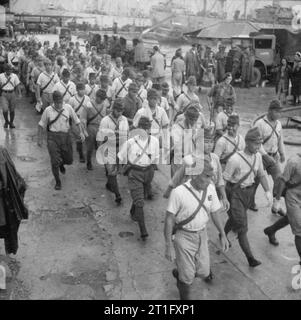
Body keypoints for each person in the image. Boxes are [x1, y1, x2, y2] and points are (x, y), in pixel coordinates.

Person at [164, 158, 229, 300]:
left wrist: (223, 234)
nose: (210, 180)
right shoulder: (178, 193)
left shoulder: (210, 188)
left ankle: (180, 273)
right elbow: (169, 219)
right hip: (183, 236)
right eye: (206, 176)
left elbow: (215, 212)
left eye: (211, 176)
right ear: (194, 175)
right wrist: (168, 245)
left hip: (202, 234)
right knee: (187, 277)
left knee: (204, 272)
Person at [223, 127, 273, 267]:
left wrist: (268, 191)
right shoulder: (234, 160)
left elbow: (261, 174)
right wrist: (223, 198)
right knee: (242, 226)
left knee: (234, 219)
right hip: (235, 194)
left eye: (260, 144)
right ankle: (250, 258)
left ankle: (222, 234)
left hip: (248, 194)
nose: (259, 147)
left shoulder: (257, 156)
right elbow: (224, 180)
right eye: (256, 144)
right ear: (247, 142)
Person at [118, 117, 159, 240]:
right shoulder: (130, 142)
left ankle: (133, 211)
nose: (145, 131)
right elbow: (121, 157)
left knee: (139, 196)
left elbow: (156, 158)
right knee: (140, 201)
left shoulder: (155, 141)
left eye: (147, 128)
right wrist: (125, 168)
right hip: (135, 173)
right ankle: (143, 229)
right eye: (142, 128)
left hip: (148, 173)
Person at [37, 91, 85, 190]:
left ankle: (61, 163)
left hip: (66, 136)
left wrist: (81, 132)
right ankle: (58, 181)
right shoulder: (48, 110)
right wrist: (39, 139)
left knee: (69, 160)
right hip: (52, 138)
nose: (59, 104)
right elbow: (41, 125)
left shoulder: (68, 108)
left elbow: (77, 121)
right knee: (54, 162)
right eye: (57, 102)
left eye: (60, 102)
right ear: (53, 101)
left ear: (63, 101)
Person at [263, 154, 301, 264]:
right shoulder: (293, 162)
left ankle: (270, 230)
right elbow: (283, 181)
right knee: (299, 230)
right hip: (293, 198)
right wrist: (277, 200)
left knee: (290, 218)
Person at [251, 100, 285, 214]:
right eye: (276, 111)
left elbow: (280, 139)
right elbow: (255, 142)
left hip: (273, 156)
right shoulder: (260, 124)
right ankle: (250, 201)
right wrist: (265, 155)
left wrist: (282, 152)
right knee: (255, 181)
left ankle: (276, 204)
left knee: (279, 180)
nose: (279, 114)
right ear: (270, 110)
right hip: (260, 156)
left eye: (280, 112)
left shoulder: (279, 124)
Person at [96, 99, 129, 205]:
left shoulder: (124, 120)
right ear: (113, 109)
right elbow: (100, 136)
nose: (119, 112)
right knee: (112, 172)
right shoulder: (105, 120)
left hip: (120, 148)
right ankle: (117, 195)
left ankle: (109, 184)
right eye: (117, 110)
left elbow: (127, 135)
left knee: (116, 171)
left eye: (121, 110)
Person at [0, 146, 28, 255]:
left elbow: (13, 180)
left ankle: (7, 258)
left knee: (7, 227)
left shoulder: (2, 153)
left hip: (4, 203)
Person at [81, 89, 108, 171]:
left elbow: (107, 117)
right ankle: (89, 162)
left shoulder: (105, 105)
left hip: (101, 128)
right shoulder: (88, 104)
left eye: (103, 99)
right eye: (100, 98)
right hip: (91, 127)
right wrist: (84, 129)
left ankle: (106, 165)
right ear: (97, 97)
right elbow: (83, 118)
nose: (102, 100)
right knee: (90, 146)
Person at [0, 64, 22, 129]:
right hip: (4, 94)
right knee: (5, 109)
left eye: (10, 70)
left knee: (12, 110)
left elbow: (17, 85)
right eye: (8, 70)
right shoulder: (1, 76)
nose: (10, 71)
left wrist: (20, 93)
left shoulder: (14, 76)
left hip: (12, 93)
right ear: (5, 70)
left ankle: (11, 122)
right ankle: (6, 121)